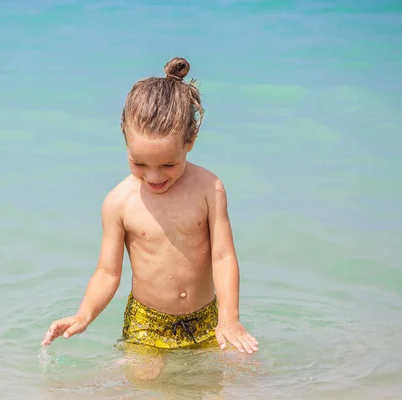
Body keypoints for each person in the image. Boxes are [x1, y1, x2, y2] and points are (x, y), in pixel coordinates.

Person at [41, 57, 258, 378]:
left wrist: (229, 316)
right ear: (125, 141)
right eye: (139, 164)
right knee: (145, 386)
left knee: (230, 380)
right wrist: (84, 314)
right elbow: (107, 271)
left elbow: (223, 256)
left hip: (207, 318)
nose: (154, 176)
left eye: (169, 165)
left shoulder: (209, 188)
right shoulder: (118, 202)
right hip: (147, 324)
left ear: (190, 142)